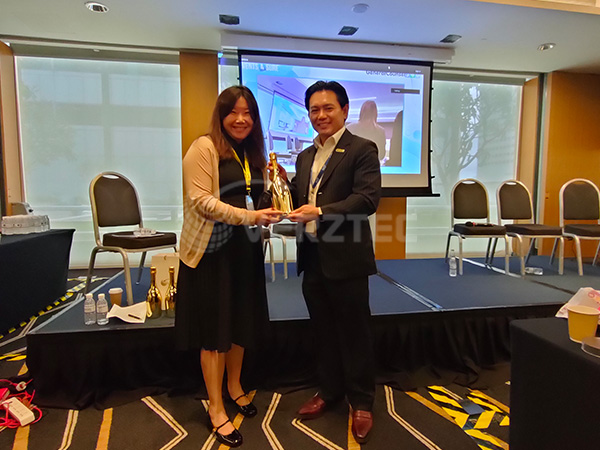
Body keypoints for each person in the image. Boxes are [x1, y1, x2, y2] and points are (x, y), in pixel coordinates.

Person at [175, 85, 282, 448]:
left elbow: (256, 196)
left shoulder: (252, 152)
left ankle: (235, 386)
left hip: (244, 248)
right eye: (234, 112)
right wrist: (251, 216)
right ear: (221, 115)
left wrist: (275, 198)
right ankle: (216, 407)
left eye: (248, 113)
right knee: (214, 332)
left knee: (240, 322)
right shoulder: (203, 147)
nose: (241, 119)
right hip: (211, 250)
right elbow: (202, 201)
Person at [276, 81, 381, 443]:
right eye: (314, 110)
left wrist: (320, 211)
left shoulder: (362, 149)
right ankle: (330, 390)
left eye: (328, 108)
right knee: (323, 330)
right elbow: (299, 197)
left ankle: (362, 401)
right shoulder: (305, 156)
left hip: (346, 257)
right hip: (312, 255)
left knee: (355, 333)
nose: (320, 115)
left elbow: (366, 199)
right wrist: (279, 188)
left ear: (344, 110)